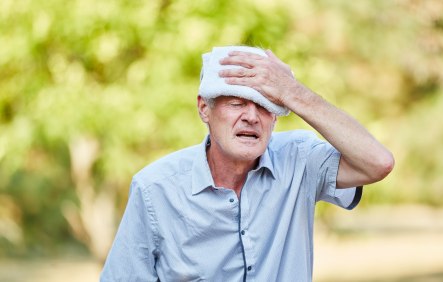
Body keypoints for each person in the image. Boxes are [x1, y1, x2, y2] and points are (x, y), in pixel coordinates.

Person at [100, 46, 394, 282]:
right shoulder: (155, 188)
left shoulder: (300, 160)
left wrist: (292, 92)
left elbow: (378, 163)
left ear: (277, 115)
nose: (252, 117)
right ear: (205, 109)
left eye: (266, 104)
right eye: (237, 103)